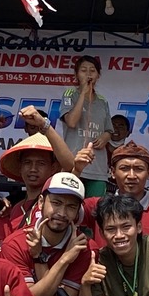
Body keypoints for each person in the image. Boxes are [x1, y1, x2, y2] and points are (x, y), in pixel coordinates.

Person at [3, 171, 93, 296]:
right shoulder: (17, 243)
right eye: (57, 203)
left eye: (71, 206)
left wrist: (39, 259)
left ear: (78, 212)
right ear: (41, 202)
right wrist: (64, 260)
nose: (61, 213)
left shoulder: (83, 247)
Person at [83, 141, 149, 243]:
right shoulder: (95, 205)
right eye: (124, 168)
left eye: (138, 169)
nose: (131, 176)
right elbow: (65, 212)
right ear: (113, 172)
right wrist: (77, 170)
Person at [61, 55, 115, 193]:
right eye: (83, 70)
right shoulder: (69, 94)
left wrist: (105, 137)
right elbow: (71, 122)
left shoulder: (103, 101)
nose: (88, 74)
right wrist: (83, 94)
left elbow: (109, 130)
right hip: (73, 164)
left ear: (98, 75)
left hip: (97, 168)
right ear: (77, 74)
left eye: (92, 70)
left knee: (94, 210)